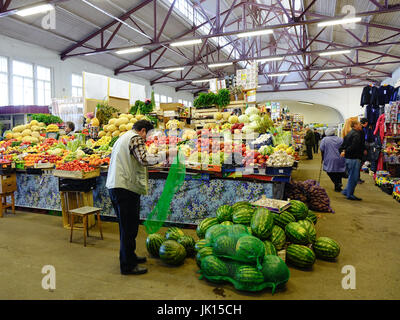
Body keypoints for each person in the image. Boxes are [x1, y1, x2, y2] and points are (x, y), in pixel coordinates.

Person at [106, 120, 166, 275]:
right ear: (143, 131)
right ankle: (127, 266)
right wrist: (164, 155)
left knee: (128, 227)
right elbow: (144, 159)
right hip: (124, 188)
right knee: (128, 228)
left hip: (118, 186)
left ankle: (130, 256)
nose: (147, 140)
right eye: (149, 136)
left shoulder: (124, 136)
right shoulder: (135, 138)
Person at [339, 120, 367, 200]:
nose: (360, 125)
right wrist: (345, 151)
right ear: (355, 125)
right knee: (353, 178)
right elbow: (354, 146)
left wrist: (343, 151)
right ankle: (350, 195)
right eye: (359, 124)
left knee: (351, 176)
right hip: (354, 158)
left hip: (348, 158)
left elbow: (343, 145)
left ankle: (346, 191)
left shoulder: (349, 133)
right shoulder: (356, 134)